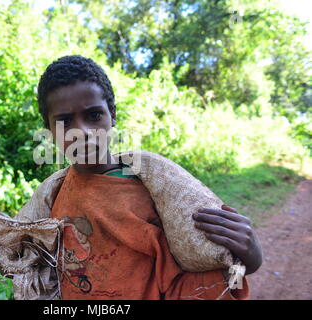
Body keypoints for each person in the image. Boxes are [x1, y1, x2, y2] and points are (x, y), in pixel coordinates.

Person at [29, 55, 262, 299]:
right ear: (49, 130)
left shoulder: (149, 188)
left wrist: (251, 258)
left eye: (94, 115)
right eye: (65, 121)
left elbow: (185, 283)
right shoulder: (51, 197)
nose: (83, 132)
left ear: (112, 115)